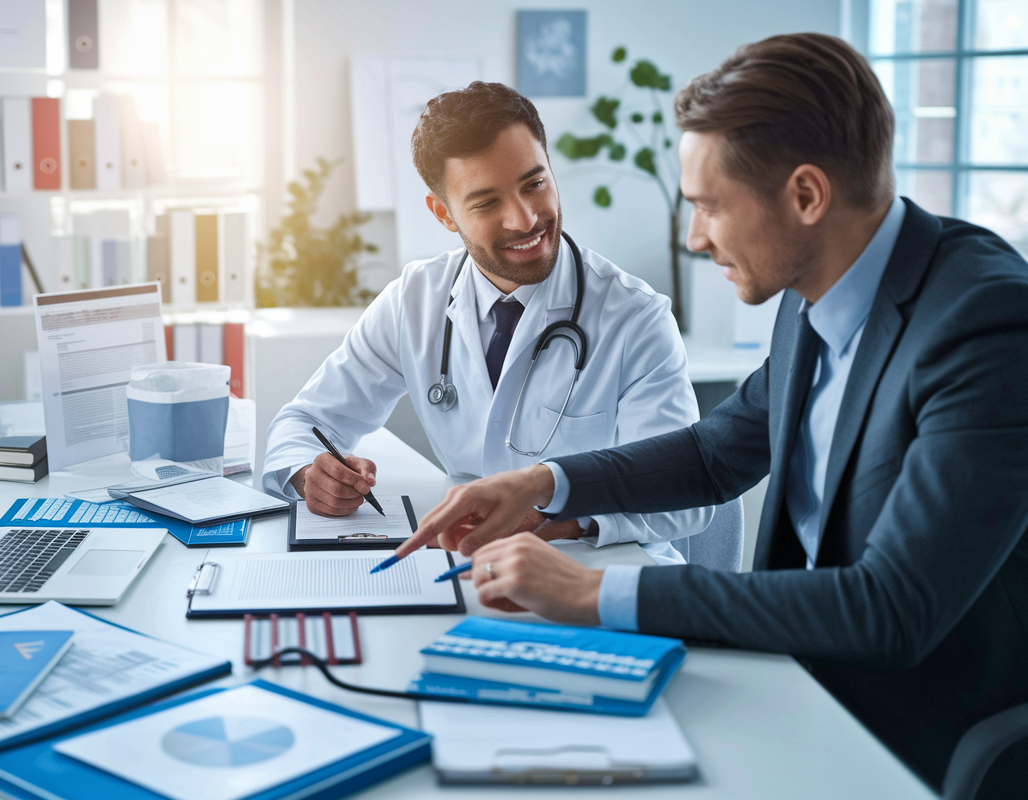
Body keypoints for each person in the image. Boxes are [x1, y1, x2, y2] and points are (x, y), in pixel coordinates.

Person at [396, 33, 1028, 796]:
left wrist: (592, 593)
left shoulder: (985, 324)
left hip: (913, 736)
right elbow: (713, 454)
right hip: (792, 682)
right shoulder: (817, 292)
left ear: (804, 195)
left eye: (709, 208)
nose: (694, 239)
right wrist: (538, 485)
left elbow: (890, 609)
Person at [262, 81, 712, 563]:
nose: (524, 220)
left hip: (602, 570)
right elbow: (304, 422)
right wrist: (310, 475)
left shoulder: (636, 318)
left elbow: (683, 496)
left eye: (534, 184)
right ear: (444, 214)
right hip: (466, 565)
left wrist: (553, 522)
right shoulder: (413, 302)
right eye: (486, 203)